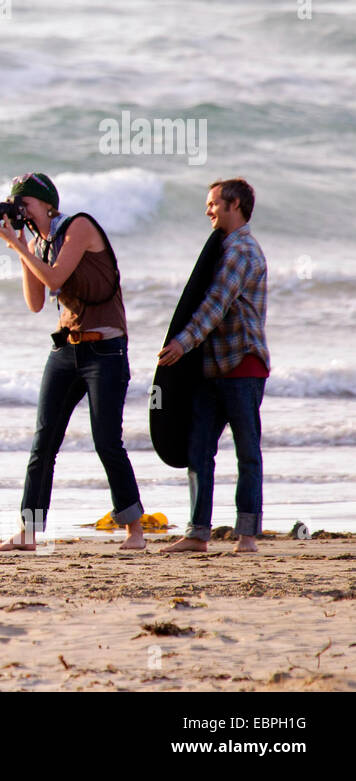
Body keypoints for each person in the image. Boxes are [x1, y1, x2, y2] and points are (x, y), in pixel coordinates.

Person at [0, 172, 148, 551]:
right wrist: (22, 246)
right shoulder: (41, 243)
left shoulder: (79, 226)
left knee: (107, 441)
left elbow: (58, 275)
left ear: (47, 203)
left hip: (106, 350)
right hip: (66, 350)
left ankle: (135, 532)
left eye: (24, 203)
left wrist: (19, 248)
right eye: (16, 203)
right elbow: (35, 303)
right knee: (43, 442)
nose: (20, 209)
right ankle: (27, 533)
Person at [157, 179, 268, 554]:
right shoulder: (222, 248)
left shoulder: (241, 251)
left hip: (243, 366)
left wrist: (181, 344)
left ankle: (248, 536)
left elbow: (215, 305)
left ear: (234, 204)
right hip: (213, 368)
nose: (208, 210)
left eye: (213, 203)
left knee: (247, 452)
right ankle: (197, 534)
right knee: (198, 449)